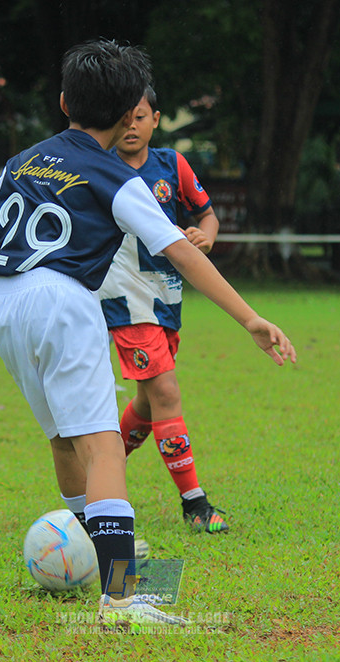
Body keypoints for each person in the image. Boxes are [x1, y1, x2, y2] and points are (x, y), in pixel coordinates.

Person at [0, 39, 296, 628]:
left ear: (64, 101)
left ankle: (95, 549)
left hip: (0, 302)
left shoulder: (25, 160)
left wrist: (10, 299)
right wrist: (251, 318)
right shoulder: (118, 176)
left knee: (65, 438)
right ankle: (120, 598)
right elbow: (182, 253)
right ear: (126, 116)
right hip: (62, 301)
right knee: (105, 447)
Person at [97, 87, 228, 535]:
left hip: (166, 299)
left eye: (139, 116)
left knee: (149, 405)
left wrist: (205, 236)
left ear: (156, 119)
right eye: (123, 117)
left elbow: (208, 215)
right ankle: (195, 504)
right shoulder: (100, 167)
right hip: (123, 300)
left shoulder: (172, 165)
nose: (131, 126)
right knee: (167, 392)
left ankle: (102, 466)